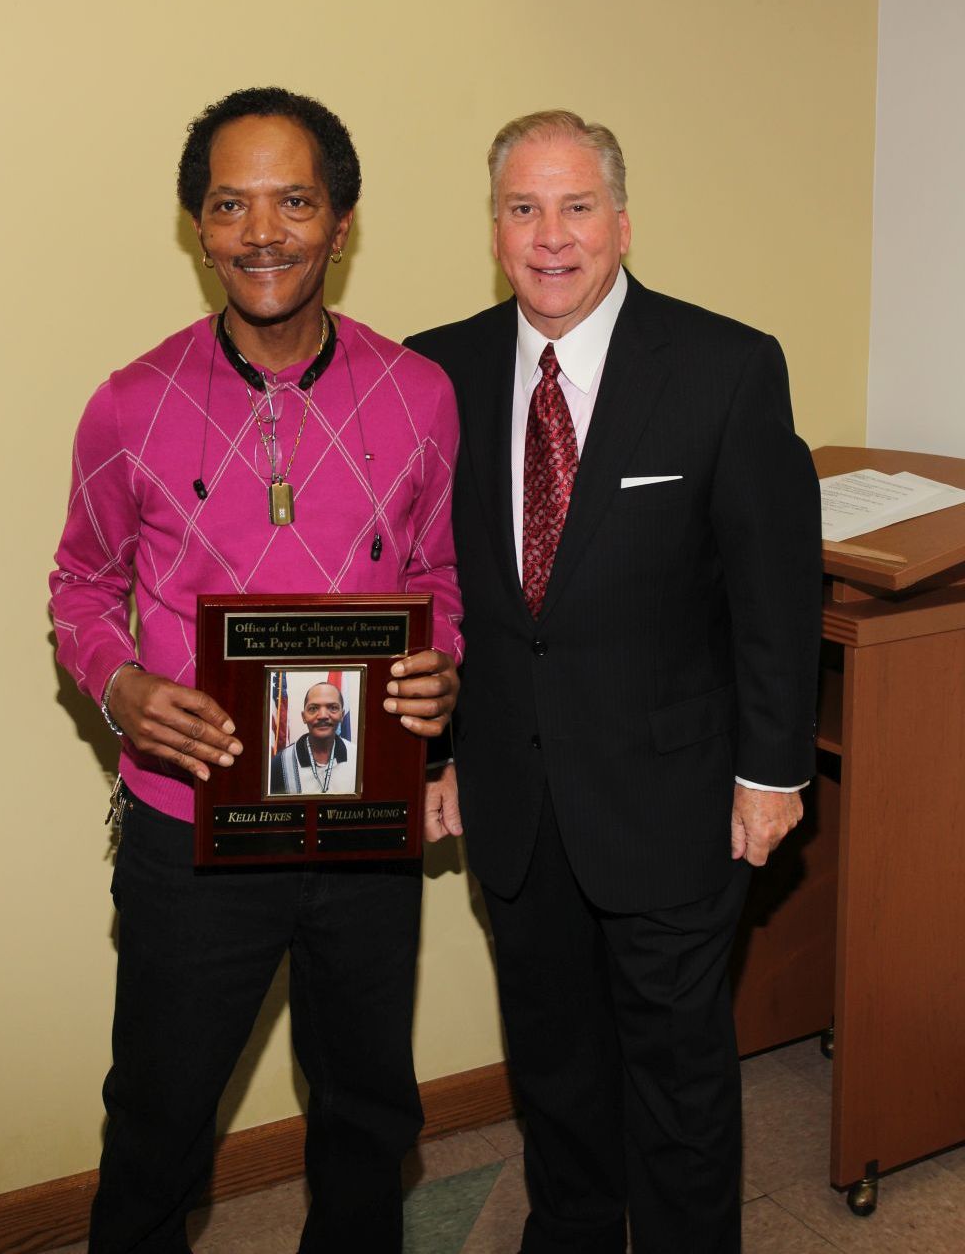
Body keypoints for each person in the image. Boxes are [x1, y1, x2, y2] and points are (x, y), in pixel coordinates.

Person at [50, 87, 462, 1254]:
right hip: (190, 830)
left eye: (295, 201)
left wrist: (445, 673)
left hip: (365, 822)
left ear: (342, 222)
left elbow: (443, 578)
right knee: (159, 1125)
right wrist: (121, 688)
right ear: (197, 226)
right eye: (231, 205)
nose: (262, 232)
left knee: (369, 1118)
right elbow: (80, 585)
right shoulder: (129, 405)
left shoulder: (418, 395)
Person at [406, 110, 821, 1253]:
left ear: (622, 222)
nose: (552, 236)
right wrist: (433, 755)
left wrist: (772, 772)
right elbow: (425, 587)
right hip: (514, 801)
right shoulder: (433, 371)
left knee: (678, 1081)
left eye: (577, 206)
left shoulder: (726, 367)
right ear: (492, 229)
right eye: (523, 209)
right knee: (552, 1067)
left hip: (678, 800)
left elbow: (773, 595)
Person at [271, 682, 358, 795]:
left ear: (342, 715)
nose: (322, 715)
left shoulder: (359, 758)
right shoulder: (280, 763)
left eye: (332, 708)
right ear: (304, 717)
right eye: (313, 709)